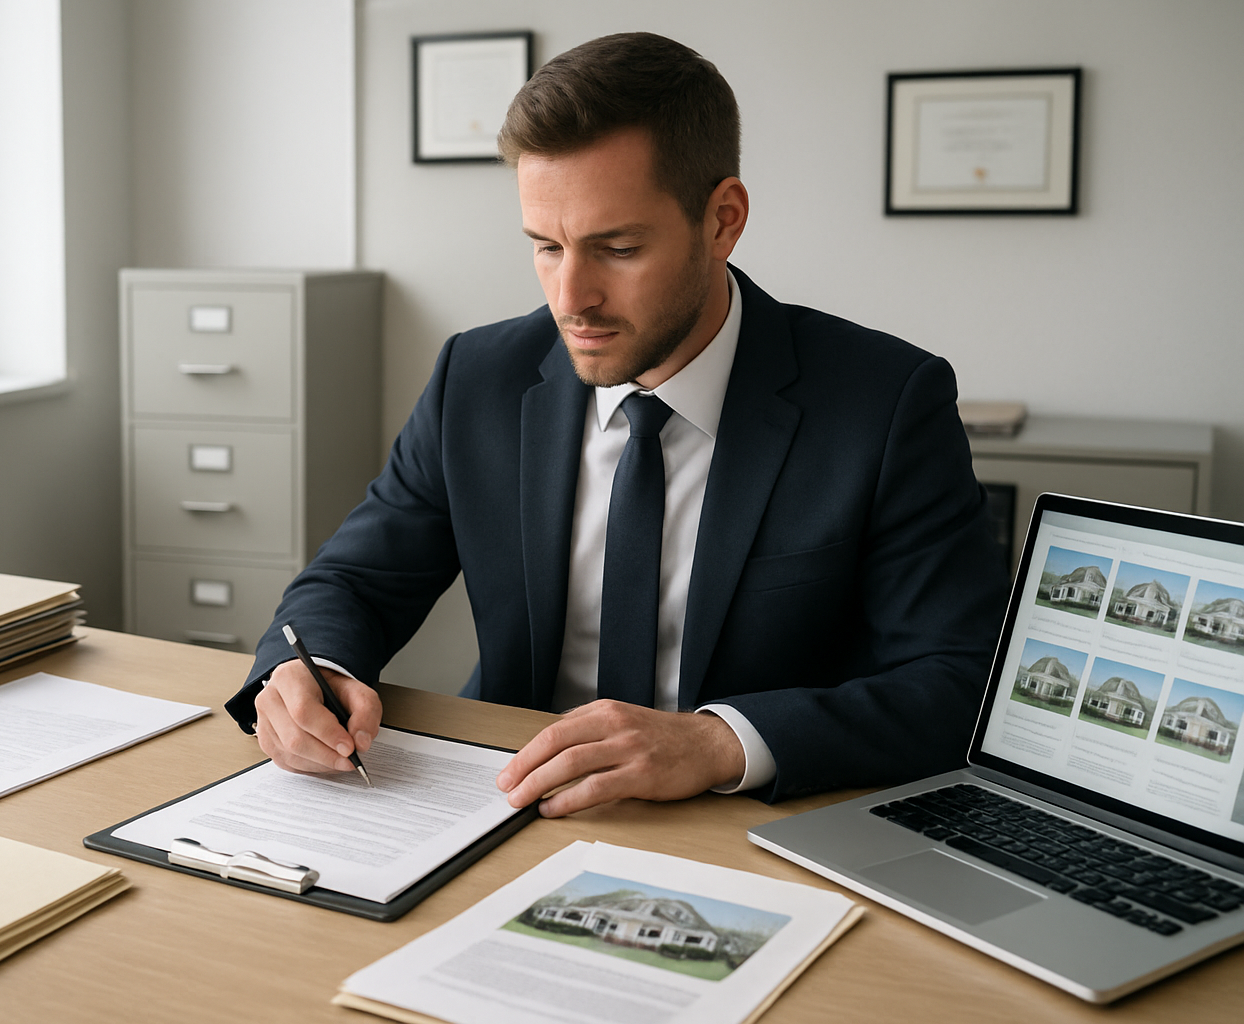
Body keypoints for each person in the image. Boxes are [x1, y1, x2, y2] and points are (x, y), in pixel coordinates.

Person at [224, 32, 1006, 814]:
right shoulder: (480, 377)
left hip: (744, 824)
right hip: (501, 801)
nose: (572, 297)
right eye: (545, 246)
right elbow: (356, 579)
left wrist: (718, 741)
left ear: (723, 220)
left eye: (618, 248)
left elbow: (956, 680)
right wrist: (308, 669)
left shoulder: (887, 401)